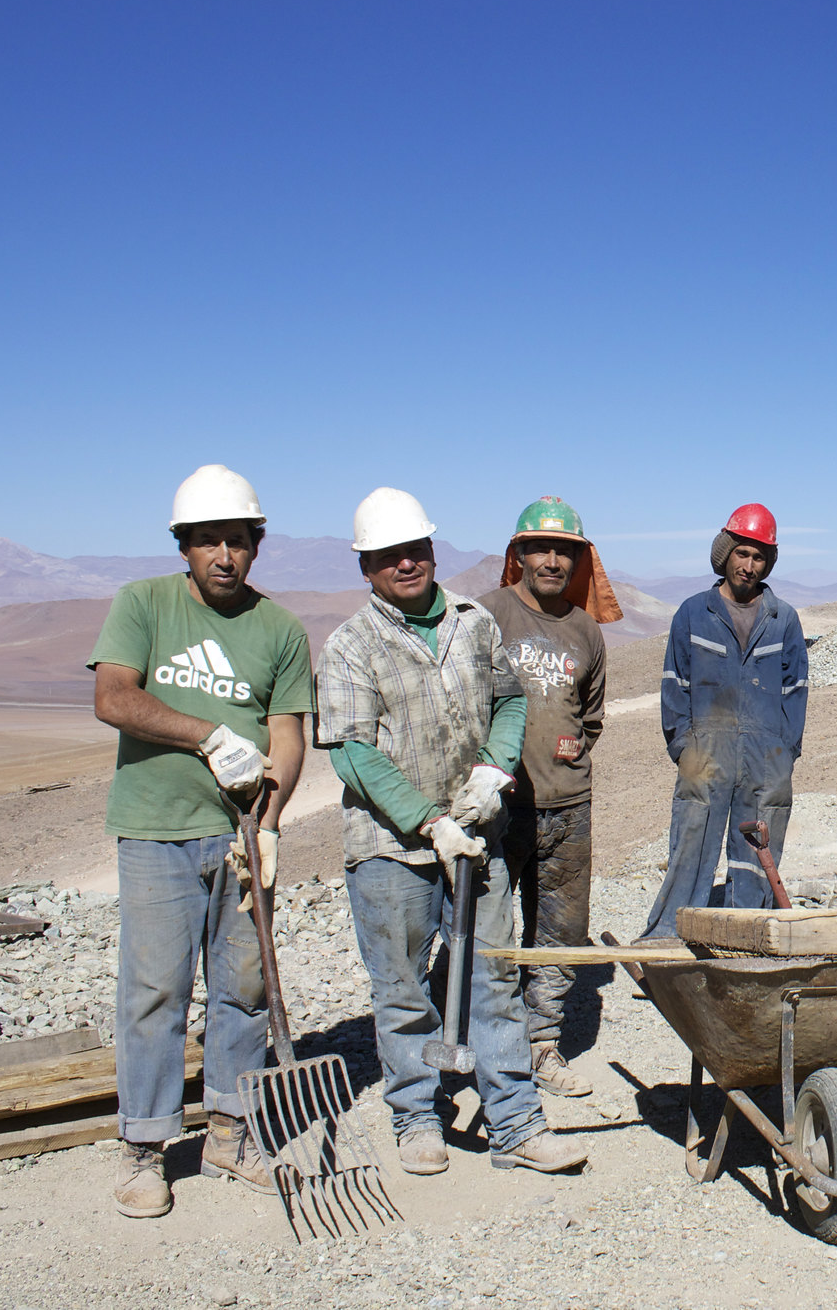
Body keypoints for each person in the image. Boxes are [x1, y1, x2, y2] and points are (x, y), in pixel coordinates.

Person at [315, 488, 589, 1177]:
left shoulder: (473, 622)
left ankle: (516, 1125)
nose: (405, 563)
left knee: (491, 978)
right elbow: (351, 749)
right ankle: (416, 1117)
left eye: (416, 550)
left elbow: (507, 699)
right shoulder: (351, 644)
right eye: (387, 555)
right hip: (391, 849)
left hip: (477, 835)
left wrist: (495, 769)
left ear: (433, 552)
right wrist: (427, 819)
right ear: (366, 566)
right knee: (403, 986)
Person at [89, 464, 314, 1218]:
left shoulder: (278, 627)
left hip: (241, 836)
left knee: (243, 990)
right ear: (184, 546)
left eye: (238, 541)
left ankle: (229, 1132)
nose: (224, 555)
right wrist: (209, 735)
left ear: (256, 546)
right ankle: (145, 1149)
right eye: (208, 541)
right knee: (154, 991)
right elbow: (113, 697)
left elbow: (287, 731)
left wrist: (272, 823)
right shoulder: (143, 604)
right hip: (157, 830)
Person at [482, 496, 623, 1098]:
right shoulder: (484, 614)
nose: (552, 559)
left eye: (564, 550)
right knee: (483, 930)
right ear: (518, 555)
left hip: (568, 804)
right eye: (540, 547)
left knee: (562, 931)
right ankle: (480, 1045)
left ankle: (542, 1045)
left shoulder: (585, 628)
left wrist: (566, 751)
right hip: (498, 807)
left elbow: (589, 717)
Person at [644, 503, 809, 940]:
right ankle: (668, 943)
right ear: (725, 554)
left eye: (759, 557)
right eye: (742, 554)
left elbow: (796, 690)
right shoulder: (694, 613)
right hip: (706, 755)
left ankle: (745, 941)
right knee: (690, 849)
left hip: (767, 758)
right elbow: (673, 684)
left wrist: (785, 752)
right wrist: (684, 747)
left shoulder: (784, 619)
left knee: (755, 856)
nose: (749, 566)